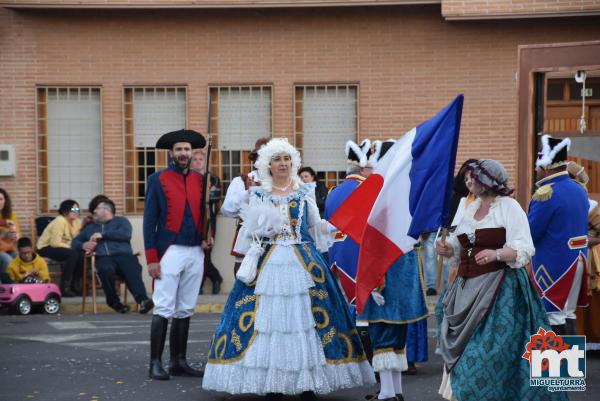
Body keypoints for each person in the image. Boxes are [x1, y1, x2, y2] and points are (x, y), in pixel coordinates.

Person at [202, 138, 375, 400]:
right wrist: (260, 230)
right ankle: (274, 383)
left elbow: (316, 226)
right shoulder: (257, 193)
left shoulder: (305, 191)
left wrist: (340, 225)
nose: (283, 164)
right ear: (267, 164)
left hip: (302, 261)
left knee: (304, 321)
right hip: (268, 263)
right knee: (269, 323)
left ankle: (306, 382)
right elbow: (248, 233)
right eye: (277, 159)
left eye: (287, 159)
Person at [435, 159, 567, 401]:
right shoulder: (467, 207)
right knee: (465, 351)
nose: (469, 181)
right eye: (467, 177)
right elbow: (457, 245)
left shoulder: (509, 207)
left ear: (488, 181)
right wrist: (447, 249)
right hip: (465, 289)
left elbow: (526, 248)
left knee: (490, 353)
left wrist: (497, 254)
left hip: (501, 290)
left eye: (473, 177)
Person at [355, 140, 428, 401]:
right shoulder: (410, 192)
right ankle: (394, 391)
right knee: (396, 335)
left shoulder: (383, 196)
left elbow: (375, 243)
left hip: (387, 271)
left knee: (384, 333)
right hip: (405, 271)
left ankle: (388, 393)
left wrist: (375, 279)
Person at [144, 129, 212, 380]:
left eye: (187, 149)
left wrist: (209, 234)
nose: (183, 153)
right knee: (163, 307)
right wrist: (152, 258)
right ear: (171, 153)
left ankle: (178, 361)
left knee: (185, 308)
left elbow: (207, 212)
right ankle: (155, 363)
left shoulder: (201, 179)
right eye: (179, 149)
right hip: (169, 250)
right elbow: (149, 220)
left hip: (195, 249)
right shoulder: (157, 179)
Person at [528, 135, 589, 335]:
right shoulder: (579, 189)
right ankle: (572, 366)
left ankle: (553, 367)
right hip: (578, 260)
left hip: (554, 264)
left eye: (538, 164)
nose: (536, 169)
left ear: (546, 166)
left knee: (552, 314)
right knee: (568, 313)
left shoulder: (546, 193)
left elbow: (531, 233)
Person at [72, 198, 154, 314]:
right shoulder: (90, 228)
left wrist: (103, 235)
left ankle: (143, 301)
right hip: (103, 257)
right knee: (105, 269)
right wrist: (84, 244)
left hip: (124, 255)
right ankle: (114, 303)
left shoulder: (121, 221)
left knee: (132, 269)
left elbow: (125, 234)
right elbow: (74, 242)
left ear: (107, 210)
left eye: (97, 208)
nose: (94, 211)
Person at [324, 139, 374, 312]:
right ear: (362, 168)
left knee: (341, 307)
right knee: (361, 308)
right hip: (358, 253)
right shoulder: (369, 189)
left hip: (334, 252)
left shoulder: (333, 191)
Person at [221, 137, 270, 275]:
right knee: (244, 275)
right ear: (255, 159)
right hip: (248, 237)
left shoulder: (283, 182)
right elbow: (227, 210)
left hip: (276, 237)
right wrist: (249, 192)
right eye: (262, 156)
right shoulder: (241, 181)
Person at [568, 162, 600, 348]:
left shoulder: (590, 204)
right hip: (556, 260)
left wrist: (578, 241)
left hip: (584, 256)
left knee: (576, 304)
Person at [191, 149, 223, 294]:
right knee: (196, 253)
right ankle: (209, 280)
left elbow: (213, 197)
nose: (198, 162)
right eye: (195, 159)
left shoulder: (213, 179)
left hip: (209, 219)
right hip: (192, 219)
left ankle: (207, 282)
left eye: (201, 159)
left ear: (205, 162)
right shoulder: (188, 178)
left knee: (206, 252)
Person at [37, 199, 83, 297]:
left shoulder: (77, 222)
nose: (76, 212)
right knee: (73, 253)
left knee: (81, 253)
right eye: (73, 209)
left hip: (62, 247)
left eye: (77, 209)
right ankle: (64, 288)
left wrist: (72, 245)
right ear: (65, 211)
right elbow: (55, 243)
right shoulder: (60, 221)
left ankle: (76, 285)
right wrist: (71, 245)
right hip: (45, 248)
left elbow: (78, 239)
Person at [0, 188, 19, 281]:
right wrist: (4, 234)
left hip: (8, 248)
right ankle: (5, 288)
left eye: (0, 199)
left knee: (18, 257)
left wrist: (15, 236)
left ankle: (17, 288)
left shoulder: (11, 215)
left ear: (5, 201)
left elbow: (18, 234)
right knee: (7, 259)